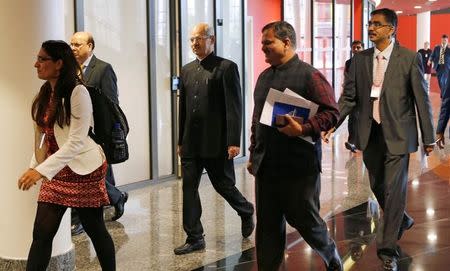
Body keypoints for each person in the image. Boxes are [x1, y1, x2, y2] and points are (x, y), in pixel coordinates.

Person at [323, 8, 435, 271]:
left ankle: (387, 249)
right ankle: (402, 219)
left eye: (377, 24)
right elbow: (349, 98)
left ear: (391, 29)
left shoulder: (409, 58)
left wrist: (428, 137)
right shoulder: (360, 60)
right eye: (369, 23)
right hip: (369, 133)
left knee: (394, 190)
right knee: (377, 184)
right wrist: (331, 124)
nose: (371, 28)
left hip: (399, 134)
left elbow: (422, 99)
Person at [247, 21, 342, 271]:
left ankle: (331, 257)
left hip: (300, 168)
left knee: (307, 222)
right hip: (267, 166)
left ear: (286, 42)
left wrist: (303, 128)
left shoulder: (310, 75)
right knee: (267, 227)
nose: (263, 48)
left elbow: (332, 113)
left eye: (268, 43)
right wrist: (252, 152)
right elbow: (257, 120)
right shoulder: (264, 76)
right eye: (262, 43)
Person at [18, 40, 116, 271]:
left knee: (95, 229)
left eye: (43, 59)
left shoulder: (77, 91)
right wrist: (34, 166)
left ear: (59, 64)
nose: (36, 64)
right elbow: (44, 138)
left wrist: (39, 171)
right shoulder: (44, 94)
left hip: (84, 169)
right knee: (41, 234)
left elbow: (76, 142)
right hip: (56, 170)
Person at [174, 23, 255, 255]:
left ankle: (245, 210)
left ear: (212, 39)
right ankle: (194, 237)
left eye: (199, 38)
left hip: (216, 142)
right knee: (189, 188)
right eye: (191, 39)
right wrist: (180, 140)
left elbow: (234, 107)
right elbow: (184, 108)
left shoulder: (227, 67)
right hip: (191, 142)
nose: (194, 43)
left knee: (224, 185)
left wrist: (233, 141)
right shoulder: (186, 70)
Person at [70, 32, 128, 235]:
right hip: (78, 130)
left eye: (78, 44)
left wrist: (111, 134)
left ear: (90, 46)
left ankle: (84, 215)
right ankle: (116, 197)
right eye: (71, 44)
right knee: (99, 172)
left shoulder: (103, 69)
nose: (73, 48)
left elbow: (112, 104)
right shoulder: (71, 70)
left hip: (99, 131)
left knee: (91, 172)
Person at [344, 40, 364, 153]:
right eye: (354, 47)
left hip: (365, 95)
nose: (356, 50)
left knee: (361, 118)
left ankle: (360, 142)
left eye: (358, 47)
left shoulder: (368, 62)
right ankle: (352, 141)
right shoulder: (348, 63)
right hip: (352, 94)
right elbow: (347, 78)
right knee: (352, 118)